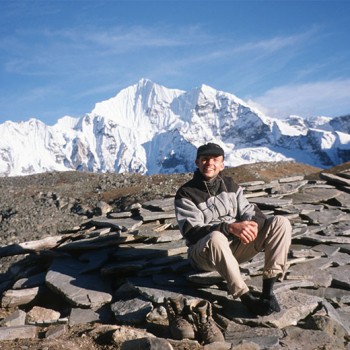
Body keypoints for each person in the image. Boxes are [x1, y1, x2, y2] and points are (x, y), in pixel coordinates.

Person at [174, 142, 292, 316]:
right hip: (204, 255)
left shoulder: (231, 186)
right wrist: (229, 228)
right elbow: (191, 232)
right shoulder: (186, 193)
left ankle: (268, 291)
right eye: (205, 159)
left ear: (222, 164)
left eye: (215, 160)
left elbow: (253, 213)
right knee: (216, 237)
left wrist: (249, 226)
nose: (209, 163)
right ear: (197, 162)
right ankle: (245, 297)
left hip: (234, 249)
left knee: (280, 222)